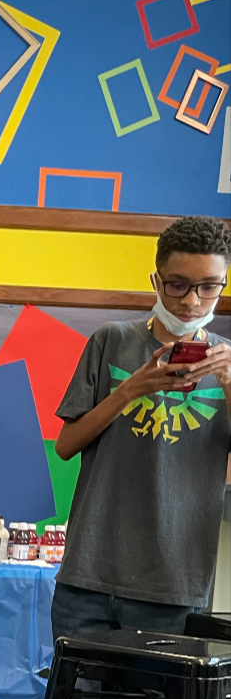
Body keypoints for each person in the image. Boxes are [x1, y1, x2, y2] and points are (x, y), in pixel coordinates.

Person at [52, 215, 231, 642]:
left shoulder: (228, 363)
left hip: (174, 583)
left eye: (209, 287)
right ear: (156, 280)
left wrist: (227, 381)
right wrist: (130, 389)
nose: (192, 301)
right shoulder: (111, 341)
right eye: (178, 284)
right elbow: (66, 445)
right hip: (88, 576)